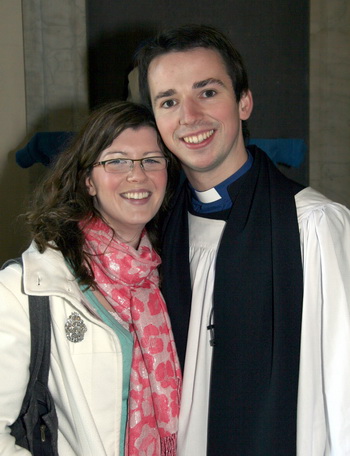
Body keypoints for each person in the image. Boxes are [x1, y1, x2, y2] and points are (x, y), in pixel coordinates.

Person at [135, 24, 350, 455]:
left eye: (208, 92)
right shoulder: (155, 233)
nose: (189, 116)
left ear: (244, 102)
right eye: (169, 101)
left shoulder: (313, 225)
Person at [0, 101, 181, 456]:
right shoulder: (25, 288)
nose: (137, 174)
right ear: (88, 181)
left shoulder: (169, 279)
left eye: (151, 160)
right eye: (116, 161)